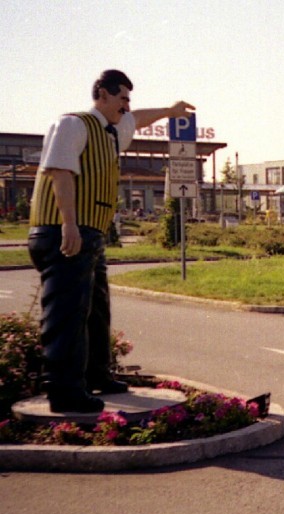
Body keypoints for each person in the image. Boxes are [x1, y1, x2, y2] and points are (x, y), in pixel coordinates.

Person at [28, 69, 194, 413]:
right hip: (62, 230)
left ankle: (96, 374)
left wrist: (170, 111)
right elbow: (60, 173)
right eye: (122, 99)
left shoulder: (112, 131)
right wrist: (69, 224)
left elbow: (138, 119)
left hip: (90, 233)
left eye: (128, 100)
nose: (127, 106)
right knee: (67, 314)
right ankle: (64, 391)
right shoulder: (73, 125)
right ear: (102, 94)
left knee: (95, 308)